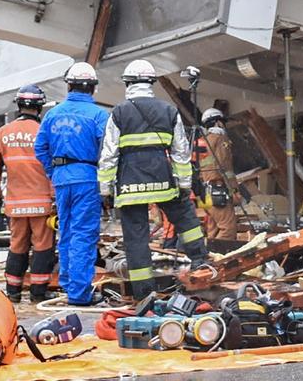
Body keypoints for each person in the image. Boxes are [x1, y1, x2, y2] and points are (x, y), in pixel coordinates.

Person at [98, 59, 209, 300]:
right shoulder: (168, 110)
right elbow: (180, 151)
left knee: (136, 239)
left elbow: (109, 154)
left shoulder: (119, 112)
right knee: (185, 218)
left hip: (130, 185)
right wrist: (184, 184)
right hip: (162, 180)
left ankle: (144, 292)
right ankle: (200, 260)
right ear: (151, 83)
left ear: (128, 84)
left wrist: (105, 189)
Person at [34, 63, 108, 306]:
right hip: (87, 177)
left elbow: (40, 147)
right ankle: (79, 293)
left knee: (65, 231)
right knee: (83, 234)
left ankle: (68, 284)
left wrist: (53, 172)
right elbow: (107, 150)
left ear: (69, 85)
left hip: (62, 179)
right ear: (93, 88)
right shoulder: (98, 115)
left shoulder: (53, 114)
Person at [0, 84, 56, 303]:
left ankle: (13, 292)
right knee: (43, 247)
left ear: (18, 105)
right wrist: (55, 199)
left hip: (15, 204)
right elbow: (53, 167)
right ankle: (38, 293)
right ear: (40, 106)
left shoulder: (2, 133)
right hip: (41, 203)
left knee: (17, 245)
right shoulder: (45, 131)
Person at [195, 109, 239, 245]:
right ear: (218, 122)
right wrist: (234, 190)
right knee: (228, 229)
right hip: (217, 190)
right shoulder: (220, 139)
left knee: (213, 229)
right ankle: (221, 260)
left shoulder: (202, 142)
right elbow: (225, 167)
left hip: (204, 192)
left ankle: (209, 259)